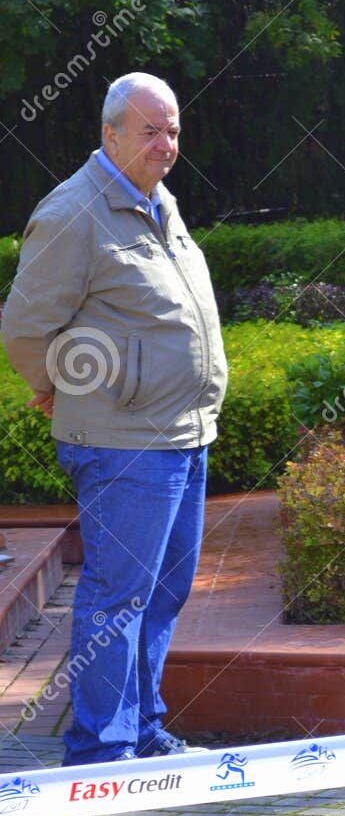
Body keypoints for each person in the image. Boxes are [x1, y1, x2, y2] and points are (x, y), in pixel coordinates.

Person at [1, 73, 227, 767]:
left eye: (174, 131)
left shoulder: (159, 202)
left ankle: (143, 726)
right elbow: (24, 327)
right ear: (110, 136)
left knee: (162, 594)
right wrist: (59, 388)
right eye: (151, 131)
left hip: (184, 435)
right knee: (117, 598)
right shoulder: (75, 211)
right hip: (126, 443)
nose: (167, 145)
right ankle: (101, 750)